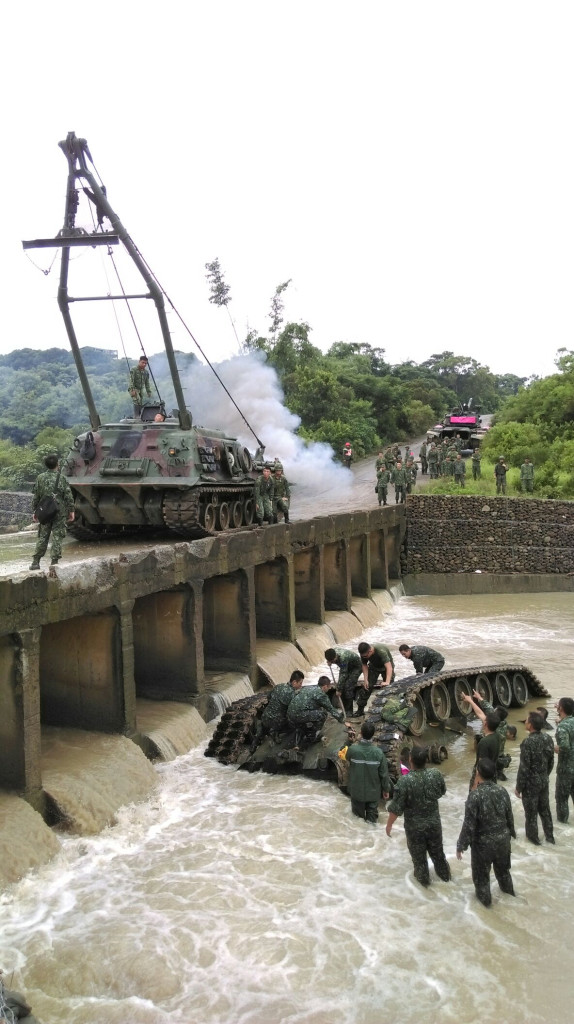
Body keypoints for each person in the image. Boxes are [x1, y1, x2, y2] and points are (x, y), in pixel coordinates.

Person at [386, 746, 451, 886]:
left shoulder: (404, 781)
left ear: (410, 760)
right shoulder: (435, 774)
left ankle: (425, 890)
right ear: (426, 759)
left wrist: (389, 824)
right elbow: (442, 791)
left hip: (415, 829)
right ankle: (448, 882)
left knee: (420, 862)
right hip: (434, 824)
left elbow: (396, 808)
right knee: (439, 856)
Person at [456, 757, 516, 908]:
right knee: (504, 875)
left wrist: (461, 846)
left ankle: (487, 912)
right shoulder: (502, 791)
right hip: (503, 841)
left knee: (482, 882)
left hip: (483, 847)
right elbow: (509, 817)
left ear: (478, 773)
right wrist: (512, 834)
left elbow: (469, 826)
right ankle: (514, 904)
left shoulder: (475, 796)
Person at [515, 711, 555, 845]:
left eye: (526, 720)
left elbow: (524, 768)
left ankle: (534, 842)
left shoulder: (527, 742)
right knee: (545, 811)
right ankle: (550, 838)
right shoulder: (548, 739)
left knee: (531, 815)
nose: (525, 722)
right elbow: (551, 762)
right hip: (544, 780)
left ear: (530, 725)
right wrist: (544, 775)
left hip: (531, 785)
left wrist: (518, 788)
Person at [30, 454, 75, 570]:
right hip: (59, 512)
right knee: (57, 536)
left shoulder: (40, 478)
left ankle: (35, 562)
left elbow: (36, 496)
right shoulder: (62, 478)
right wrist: (71, 511)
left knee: (43, 536)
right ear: (57, 465)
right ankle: (54, 563)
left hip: (44, 512)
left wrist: (35, 511)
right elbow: (68, 497)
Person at [345, 720, 391, 824]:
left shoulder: (353, 750)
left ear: (360, 733)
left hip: (357, 792)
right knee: (372, 824)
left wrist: (350, 741)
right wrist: (386, 790)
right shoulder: (378, 753)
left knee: (357, 822)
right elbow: (384, 774)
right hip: (373, 794)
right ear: (373, 735)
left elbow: (344, 755)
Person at [250, 671, 304, 751]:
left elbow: (269, 697)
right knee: (295, 723)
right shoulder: (292, 694)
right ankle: (275, 732)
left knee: (265, 724)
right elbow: (293, 711)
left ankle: (254, 744)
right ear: (294, 682)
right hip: (276, 722)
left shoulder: (278, 686)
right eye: (300, 683)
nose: (301, 685)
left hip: (265, 717)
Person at [287, 675, 346, 746]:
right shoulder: (322, 695)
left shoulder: (308, 688)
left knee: (317, 709)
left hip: (289, 713)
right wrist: (341, 719)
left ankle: (303, 727)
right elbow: (331, 709)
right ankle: (313, 736)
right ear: (324, 687)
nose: (329, 688)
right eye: (329, 686)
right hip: (297, 715)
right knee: (323, 714)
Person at [356, 641, 394, 715]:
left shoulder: (380, 651)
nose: (364, 657)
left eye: (366, 656)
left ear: (370, 651)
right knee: (366, 687)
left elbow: (389, 667)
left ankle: (390, 710)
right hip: (374, 667)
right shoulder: (363, 653)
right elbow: (364, 665)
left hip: (385, 667)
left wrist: (387, 681)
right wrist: (366, 680)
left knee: (389, 688)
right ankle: (360, 710)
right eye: (363, 656)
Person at [325, 647, 363, 716]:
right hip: (346, 667)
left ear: (336, 656)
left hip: (356, 667)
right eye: (332, 661)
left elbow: (343, 674)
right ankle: (345, 710)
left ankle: (349, 712)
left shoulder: (343, 657)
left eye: (334, 661)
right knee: (342, 686)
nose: (334, 662)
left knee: (348, 687)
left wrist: (339, 689)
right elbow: (343, 672)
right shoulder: (330, 653)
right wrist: (329, 662)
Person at [554, 697, 574, 822]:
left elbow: (565, 747)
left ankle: (563, 824)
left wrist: (557, 748)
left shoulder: (563, 726)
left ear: (561, 708)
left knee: (562, 798)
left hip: (566, 769)